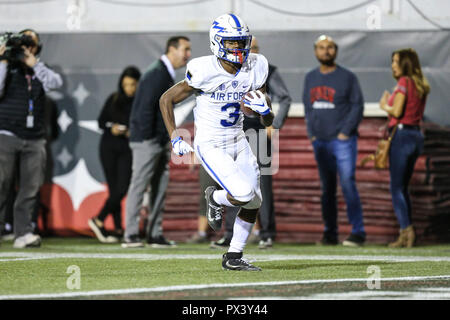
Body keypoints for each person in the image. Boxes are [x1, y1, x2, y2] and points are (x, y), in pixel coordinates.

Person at [160, 14, 274, 271]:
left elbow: (268, 121)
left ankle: (234, 256)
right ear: (217, 42)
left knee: (255, 201)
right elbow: (166, 99)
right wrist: (175, 135)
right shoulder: (204, 69)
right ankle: (216, 197)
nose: (239, 48)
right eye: (232, 43)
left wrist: (264, 111)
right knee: (244, 193)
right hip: (210, 142)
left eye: (241, 42)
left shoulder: (256, 66)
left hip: (238, 138)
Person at [210, 36, 292, 250]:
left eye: (250, 47)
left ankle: (266, 233)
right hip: (232, 130)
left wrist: (274, 123)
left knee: (262, 181)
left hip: (257, 130)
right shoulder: (226, 68)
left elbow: (284, 98)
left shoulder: (266, 69)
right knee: (231, 180)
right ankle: (229, 234)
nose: (243, 51)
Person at [122, 36, 191, 248]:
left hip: (158, 140)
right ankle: (131, 234)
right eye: (185, 49)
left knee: (160, 187)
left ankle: (154, 233)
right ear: (172, 49)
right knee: (139, 185)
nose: (188, 55)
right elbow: (143, 109)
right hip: (147, 140)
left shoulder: (164, 73)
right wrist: (150, 138)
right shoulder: (157, 73)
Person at [0, 29, 63, 248]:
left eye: (31, 43)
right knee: (1, 183)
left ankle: (23, 232)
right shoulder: (7, 66)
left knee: (30, 187)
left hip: (35, 137)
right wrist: (2, 60)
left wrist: (33, 62)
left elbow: (55, 83)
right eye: (23, 42)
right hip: (6, 133)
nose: (27, 46)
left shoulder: (39, 68)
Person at [302, 35, 366, 247]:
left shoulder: (347, 77)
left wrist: (345, 133)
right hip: (320, 141)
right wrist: (312, 134)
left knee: (348, 184)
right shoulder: (310, 77)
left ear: (336, 51)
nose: (326, 51)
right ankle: (330, 233)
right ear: (315, 51)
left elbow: (357, 106)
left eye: (330, 47)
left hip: (343, 142)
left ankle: (358, 232)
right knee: (327, 189)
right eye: (322, 48)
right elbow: (308, 108)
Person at [379, 48, 430, 248]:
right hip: (416, 135)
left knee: (396, 187)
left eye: (395, 61)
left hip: (401, 136)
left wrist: (384, 105)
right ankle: (406, 232)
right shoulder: (419, 85)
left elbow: (397, 111)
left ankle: (407, 231)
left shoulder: (403, 83)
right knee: (403, 187)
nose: (392, 65)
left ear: (405, 64)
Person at [88, 66, 141, 243]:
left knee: (122, 188)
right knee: (114, 189)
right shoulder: (114, 99)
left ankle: (99, 219)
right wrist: (113, 127)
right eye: (126, 85)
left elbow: (143, 124)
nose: (129, 88)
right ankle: (117, 228)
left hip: (127, 148)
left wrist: (132, 132)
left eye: (132, 84)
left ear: (138, 84)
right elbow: (101, 122)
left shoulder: (140, 101)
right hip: (109, 147)